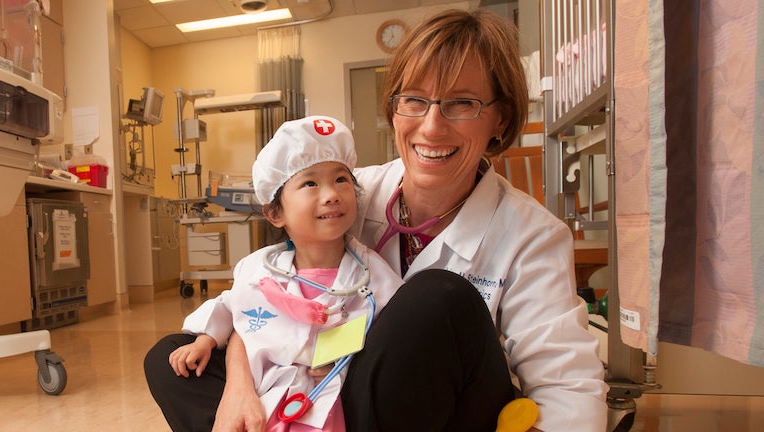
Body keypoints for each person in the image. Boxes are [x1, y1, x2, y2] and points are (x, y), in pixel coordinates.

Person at [146, 8, 608, 432]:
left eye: (462, 103)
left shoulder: (531, 234)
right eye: (415, 100)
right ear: (393, 109)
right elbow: (252, 306)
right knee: (169, 358)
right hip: (341, 395)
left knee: (439, 299)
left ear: (500, 120)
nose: (431, 127)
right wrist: (238, 388)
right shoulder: (343, 195)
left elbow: (569, 392)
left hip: (439, 411)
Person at [162, 116, 403, 431]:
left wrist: (346, 359)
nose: (331, 193)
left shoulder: (372, 272)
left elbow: (393, 334)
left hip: (333, 391)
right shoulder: (259, 268)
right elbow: (232, 306)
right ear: (276, 213)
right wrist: (206, 339)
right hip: (270, 392)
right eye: (310, 183)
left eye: (341, 180)